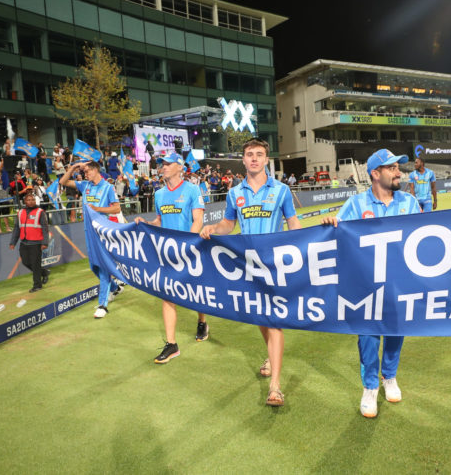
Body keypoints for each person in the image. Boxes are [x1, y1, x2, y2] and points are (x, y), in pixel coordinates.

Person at [200, 138, 301, 408]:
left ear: (266, 159)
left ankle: (275, 386)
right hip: (247, 266)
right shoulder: (234, 192)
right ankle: (271, 355)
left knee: (275, 319)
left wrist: (308, 245)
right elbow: (228, 224)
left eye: (259, 154)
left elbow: (293, 223)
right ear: (243, 160)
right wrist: (212, 228)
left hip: (275, 265)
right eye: (249, 154)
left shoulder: (280, 190)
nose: (254, 158)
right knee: (261, 318)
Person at [321, 149, 420, 419]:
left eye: (398, 167)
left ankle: (389, 376)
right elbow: (338, 226)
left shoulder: (409, 202)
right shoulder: (355, 203)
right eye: (392, 168)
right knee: (367, 333)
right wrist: (332, 223)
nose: (399, 172)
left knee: (396, 329)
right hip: (364, 282)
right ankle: (370, 386)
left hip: (399, 280)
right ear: (375, 174)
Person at [134, 152, 208, 364]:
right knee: (167, 295)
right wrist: (146, 224)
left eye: (167, 163)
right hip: (167, 253)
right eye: (161, 164)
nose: (163, 167)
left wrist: (187, 245)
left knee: (197, 293)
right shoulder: (159, 194)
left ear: (179, 167)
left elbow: (198, 220)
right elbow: (159, 220)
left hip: (189, 250)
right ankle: (171, 344)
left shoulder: (193, 189)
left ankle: (202, 322)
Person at [60, 160, 122, 318]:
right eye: (83, 172)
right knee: (93, 266)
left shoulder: (107, 187)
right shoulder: (85, 185)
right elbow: (63, 181)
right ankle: (114, 287)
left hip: (102, 232)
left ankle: (103, 305)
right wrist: (73, 167)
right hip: (88, 230)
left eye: (86, 171)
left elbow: (116, 208)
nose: (84, 174)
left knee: (103, 267)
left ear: (95, 170)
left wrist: (97, 209)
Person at [9, 191, 49, 292]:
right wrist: (13, 242)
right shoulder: (20, 212)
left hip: (36, 243)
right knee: (25, 262)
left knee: (35, 265)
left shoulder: (40, 212)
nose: (31, 202)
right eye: (29, 200)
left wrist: (45, 242)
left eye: (33, 200)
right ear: (25, 201)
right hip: (24, 243)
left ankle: (37, 285)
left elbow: (45, 228)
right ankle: (44, 272)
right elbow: (17, 228)